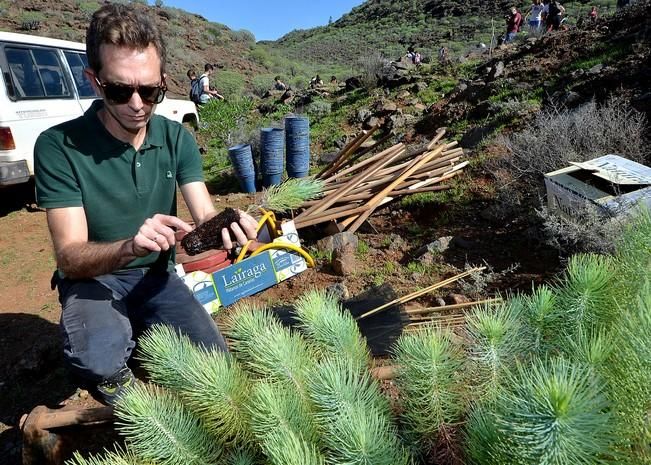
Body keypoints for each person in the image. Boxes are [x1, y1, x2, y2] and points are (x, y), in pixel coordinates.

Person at [33, 4, 258, 405]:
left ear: (164, 83)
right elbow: (70, 257)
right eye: (121, 90)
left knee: (216, 366)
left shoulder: (177, 139)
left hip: (157, 278)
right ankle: (130, 394)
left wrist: (228, 225)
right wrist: (130, 247)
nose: (138, 104)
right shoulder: (58, 146)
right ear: (95, 81)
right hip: (93, 280)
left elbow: (204, 214)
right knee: (99, 361)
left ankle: (138, 335)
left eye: (150, 90)